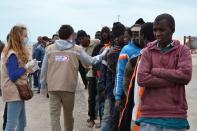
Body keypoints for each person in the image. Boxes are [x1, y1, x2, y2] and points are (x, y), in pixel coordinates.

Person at [40, 24, 109, 131]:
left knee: (54, 116)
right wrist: (104, 53)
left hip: (53, 88)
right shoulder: (76, 49)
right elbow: (91, 61)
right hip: (68, 88)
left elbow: (44, 70)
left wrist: (43, 87)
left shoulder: (49, 49)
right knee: (68, 116)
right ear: (71, 35)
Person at [137, 13, 192, 131]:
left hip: (175, 115)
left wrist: (157, 71)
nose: (157, 33)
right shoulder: (147, 51)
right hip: (149, 115)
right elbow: (141, 79)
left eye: (161, 30)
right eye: (155, 30)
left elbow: (185, 76)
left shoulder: (183, 51)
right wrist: (174, 80)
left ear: (172, 30)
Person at [1, 25, 38, 131]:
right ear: (18, 37)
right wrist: (26, 66)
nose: (26, 38)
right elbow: (13, 76)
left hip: (17, 90)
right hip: (14, 91)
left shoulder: (14, 52)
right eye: (25, 36)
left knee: (22, 123)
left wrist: (31, 66)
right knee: (11, 124)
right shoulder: (12, 54)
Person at [119, 22, 155, 131]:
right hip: (142, 113)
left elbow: (123, 78)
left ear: (142, 36)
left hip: (142, 114)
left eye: (137, 34)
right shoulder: (135, 59)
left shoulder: (138, 58)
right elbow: (125, 79)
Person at [115, 22, 142, 112]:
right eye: (134, 35)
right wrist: (118, 96)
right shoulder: (126, 50)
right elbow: (120, 73)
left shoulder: (148, 49)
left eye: (138, 34)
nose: (136, 37)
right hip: (129, 93)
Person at [77, 30, 100, 128]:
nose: (82, 41)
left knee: (100, 97)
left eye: (83, 38)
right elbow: (83, 64)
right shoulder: (80, 49)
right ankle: (91, 118)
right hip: (91, 74)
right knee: (91, 97)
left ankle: (100, 118)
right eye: (80, 39)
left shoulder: (96, 42)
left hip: (100, 73)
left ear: (87, 37)